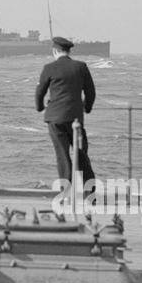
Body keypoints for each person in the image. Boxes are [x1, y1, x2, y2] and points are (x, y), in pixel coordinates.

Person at [33, 36, 96, 191]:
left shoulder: (49, 68)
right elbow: (91, 92)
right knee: (81, 156)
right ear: (68, 51)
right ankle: (90, 195)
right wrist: (87, 108)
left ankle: (66, 194)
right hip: (75, 120)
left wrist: (40, 107)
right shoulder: (81, 67)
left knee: (62, 157)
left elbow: (39, 92)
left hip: (55, 119)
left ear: (55, 51)